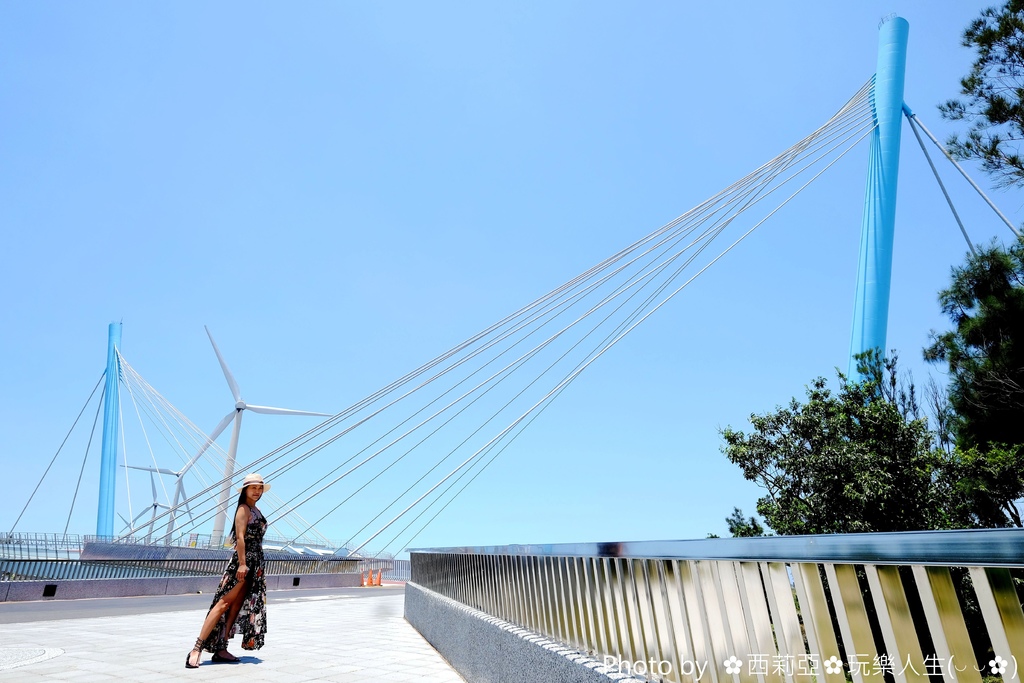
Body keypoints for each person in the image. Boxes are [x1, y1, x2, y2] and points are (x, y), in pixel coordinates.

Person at [185, 473, 270, 668]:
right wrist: (242, 564)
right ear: (246, 490)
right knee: (223, 604)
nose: (257, 491)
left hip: (255, 563)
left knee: (236, 606)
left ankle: (221, 649)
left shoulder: (255, 509)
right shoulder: (243, 509)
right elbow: (239, 538)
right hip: (243, 563)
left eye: (260, 488)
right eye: (253, 488)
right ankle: (196, 648)